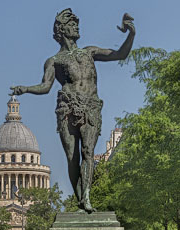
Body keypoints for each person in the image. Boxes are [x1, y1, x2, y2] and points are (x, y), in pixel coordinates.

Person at [10, 8, 135, 213]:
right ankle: (80, 199)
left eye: (76, 23)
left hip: (90, 106)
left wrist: (131, 34)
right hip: (67, 107)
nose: (76, 26)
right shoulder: (54, 61)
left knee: (88, 151)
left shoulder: (90, 52)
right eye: (71, 24)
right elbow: (45, 86)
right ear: (61, 30)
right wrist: (26, 89)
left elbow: (120, 54)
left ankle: (86, 198)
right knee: (72, 156)